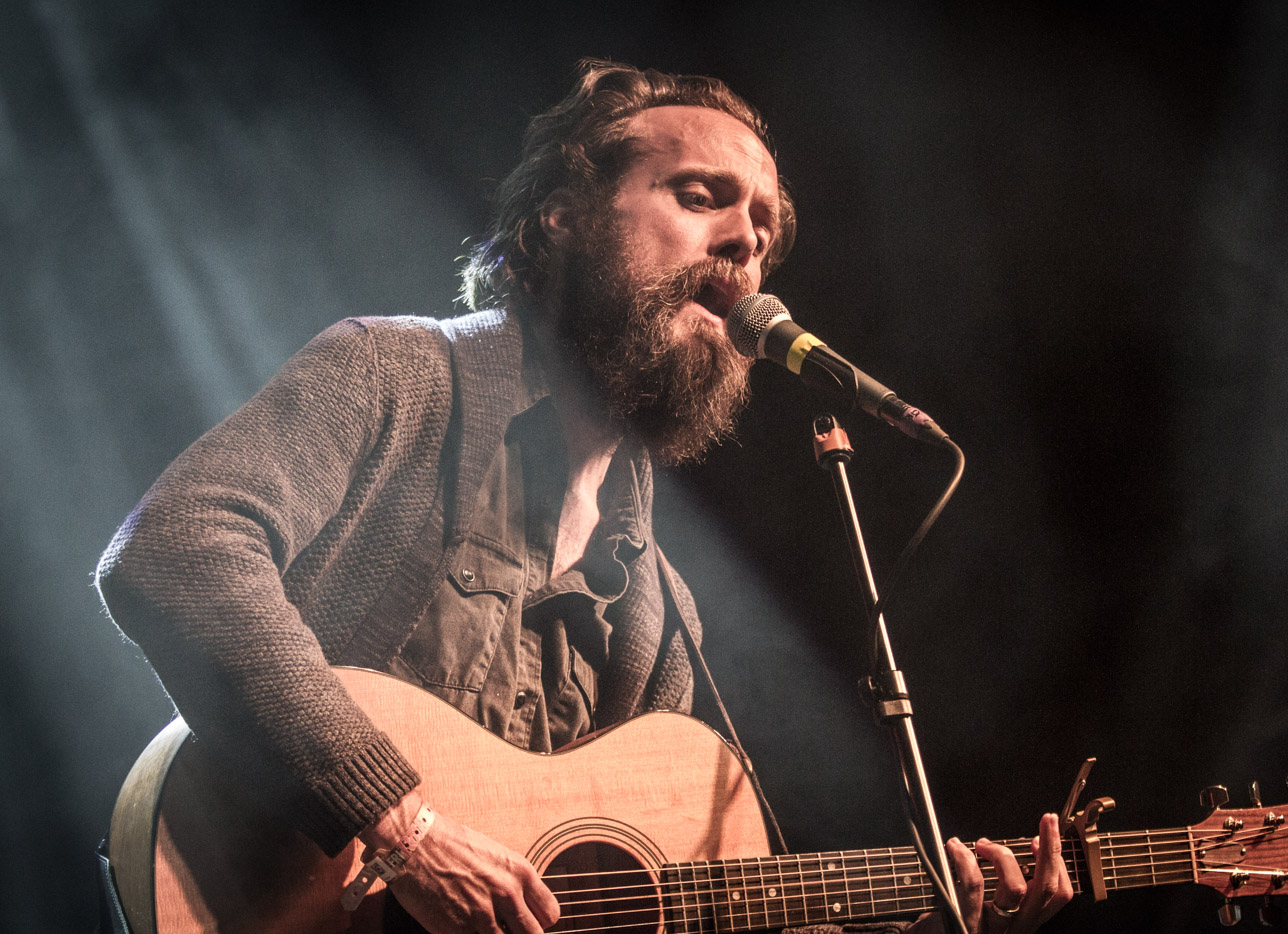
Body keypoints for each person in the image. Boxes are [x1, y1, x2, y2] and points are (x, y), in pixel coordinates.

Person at [96, 60, 1071, 934]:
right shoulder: (395, 372)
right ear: (560, 214)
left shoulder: (662, 611)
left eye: (765, 232)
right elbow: (174, 551)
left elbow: (651, 901)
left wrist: (924, 912)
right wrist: (402, 825)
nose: (744, 243)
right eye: (702, 197)